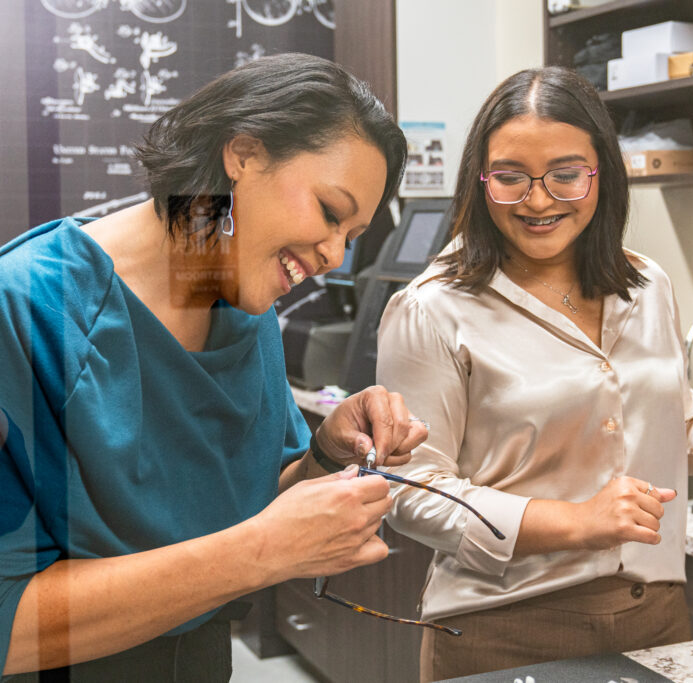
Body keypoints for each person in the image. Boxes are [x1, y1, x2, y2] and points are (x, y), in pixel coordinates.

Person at [375, 66, 693, 682]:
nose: (537, 200)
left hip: (654, 615)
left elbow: (676, 426)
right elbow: (411, 490)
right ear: (481, 181)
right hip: (500, 627)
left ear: (601, 174)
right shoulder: (432, 307)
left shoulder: (645, 285)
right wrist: (576, 521)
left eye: (565, 175)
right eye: (510, 178)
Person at [0, 54, 427, 680]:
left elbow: (242, 505)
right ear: (245, 154)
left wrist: (326, 459)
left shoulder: (241, 297)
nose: (335, 255)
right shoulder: (29, 310)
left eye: (353, 236)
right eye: (331, 213)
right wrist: (258, 554)